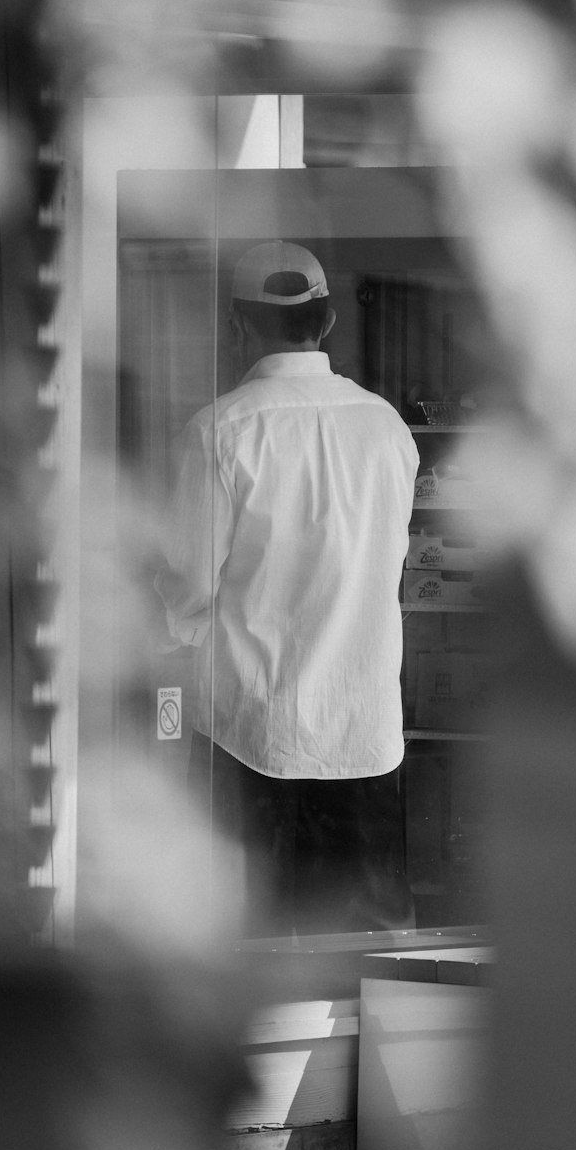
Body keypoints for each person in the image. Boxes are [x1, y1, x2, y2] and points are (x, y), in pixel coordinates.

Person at [155, 240, 420, 935]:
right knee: (369, 965)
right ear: (328, 322)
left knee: (245, 955)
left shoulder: (219, 432)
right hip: (362, 733)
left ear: (238, 327)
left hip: (249, 734)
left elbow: (185, 588)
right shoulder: (388, 430)